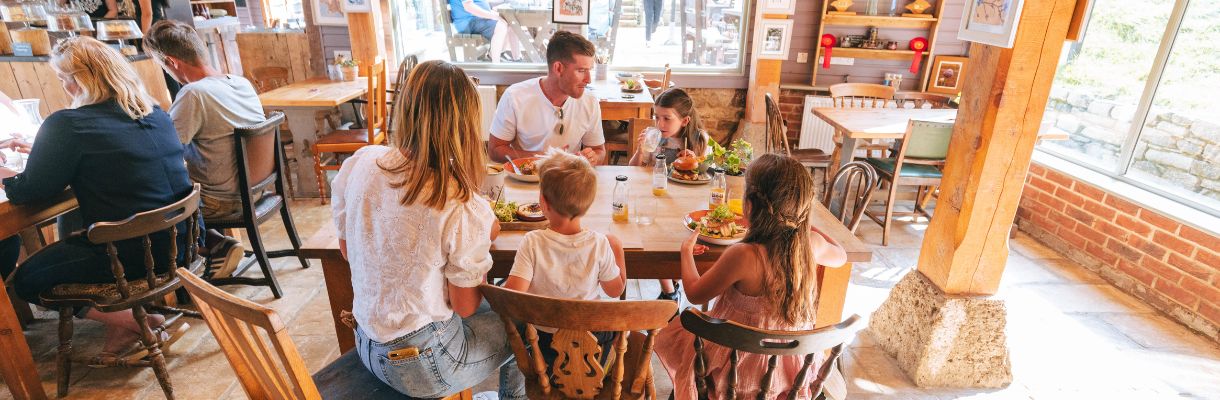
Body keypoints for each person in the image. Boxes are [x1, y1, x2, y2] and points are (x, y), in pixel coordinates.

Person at [330, 60, 525, 400]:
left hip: (367, 344)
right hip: (422, 365)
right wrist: (480, 237)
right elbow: (465, 306)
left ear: (406, 107)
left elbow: (348, 251)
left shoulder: (360, 162)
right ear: (465, 124)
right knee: (522, 323)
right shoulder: (459, 202)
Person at [1, 37, 193, 362]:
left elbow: (30, 190)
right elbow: (105, 152)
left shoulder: (68, 124)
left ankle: (131, 320)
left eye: (63, 80)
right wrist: (46, 154)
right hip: (182, 244)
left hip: (132, 254)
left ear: (77, 82)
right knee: (73, 225)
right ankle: (121, 327)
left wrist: (5, 172)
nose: (64, 87)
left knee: (26, 279)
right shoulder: (153, 112)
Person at [654, 153, 849, 399]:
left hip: (731, 376)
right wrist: (806, 227)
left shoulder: (743, 255)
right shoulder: (813, 245)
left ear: (749, 204)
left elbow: (693, 293)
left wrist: (686, 252)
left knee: (678, 337)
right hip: (786, 377)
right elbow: (841, 255)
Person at [143, 19, 260, 279]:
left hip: (222, 201)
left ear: (172, 62)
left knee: (153, 201)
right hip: (257, 188)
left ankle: (186, 270)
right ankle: (214, 243)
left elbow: (165, 149)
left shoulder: (193, 94)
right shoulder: (240, 83)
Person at [503, 148, 626, 364]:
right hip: (593, 350)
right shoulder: (600, 243)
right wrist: (617, 249)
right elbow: (615, 290)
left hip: (545, 348)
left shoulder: (532, 242)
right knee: (614, 330)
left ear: (543, 202)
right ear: (587, 206)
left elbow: (513, 297)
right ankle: (595, 376)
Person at [627, 87, 711, 301]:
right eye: (657, 117)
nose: (660, 124)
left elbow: (707, 178)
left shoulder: (699, 140)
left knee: (675, 244)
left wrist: (696, 161)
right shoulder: (654, 138)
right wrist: (640, 151)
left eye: (667, 118)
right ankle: (670, 290)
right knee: (653, 241)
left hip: (685, 205)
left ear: (684, 121)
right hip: (656, 199)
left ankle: (672, 287)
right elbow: (633, 169)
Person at [488, 30, 606, 165]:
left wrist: (593, 157)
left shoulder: (590, 101)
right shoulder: (514, 96)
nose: (588, 80)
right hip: (527, 178)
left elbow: (599, 150)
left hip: (570, 179)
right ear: (558, 68)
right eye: (581, 71)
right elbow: (494, 150)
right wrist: (543, 158)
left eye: (589, 70)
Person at [448, 0, 521, 63]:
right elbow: (468, 6)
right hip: (469, 21)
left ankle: (517, 60)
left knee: (511, 21)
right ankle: (496, 65)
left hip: (475, 19)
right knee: (501, 25)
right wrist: (492, 16)